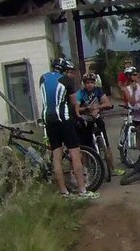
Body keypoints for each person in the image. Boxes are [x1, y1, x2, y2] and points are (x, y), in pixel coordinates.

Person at [39, 57, 97, 200]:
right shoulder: (67, 81)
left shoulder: (43, 78)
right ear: (63, 69)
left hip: (48, 120)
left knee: (56, 157)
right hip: (64, 120)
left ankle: (63, 192)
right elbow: (72, 102)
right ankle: (82, 190)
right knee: (75, 154)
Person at [75, 72, 121, 176]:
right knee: (85, 147)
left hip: (97, 118)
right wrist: (86, 108)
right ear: (84, 84)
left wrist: (97, 107)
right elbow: (77, 108)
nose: (89, 85)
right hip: (86, 121)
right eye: (87, 83)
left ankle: (112, 168)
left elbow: (107, 103)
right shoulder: (80, 93)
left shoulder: (98, 91)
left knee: (106, 144)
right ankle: (86, 170)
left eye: (91, 82)